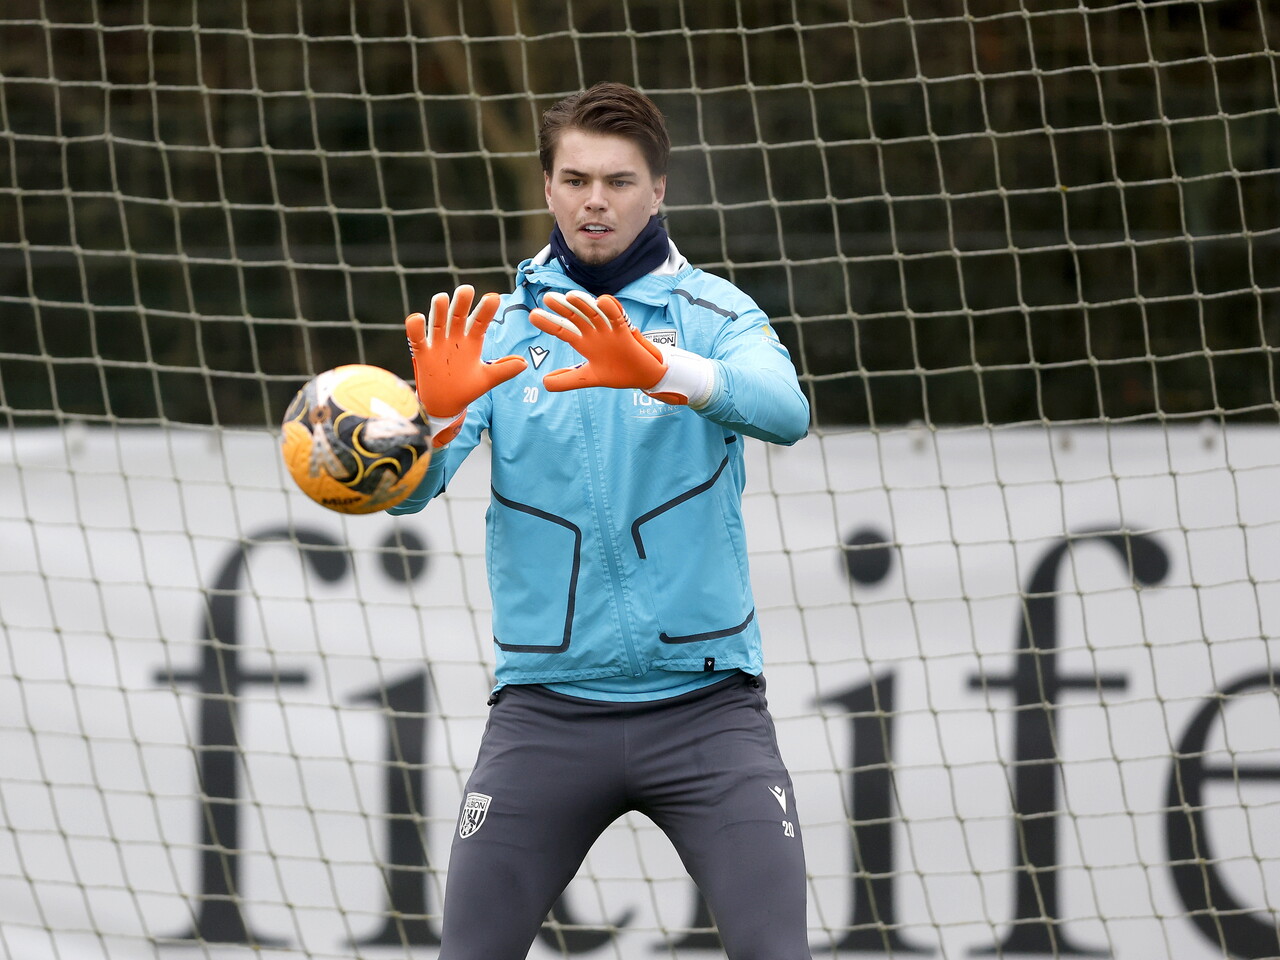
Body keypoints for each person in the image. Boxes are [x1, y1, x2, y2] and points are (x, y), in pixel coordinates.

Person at [388, 81, 813, 960]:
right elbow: (409, 495)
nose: (595, 201)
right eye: (576, 180)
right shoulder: (499, 333)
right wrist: (431, 422)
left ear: (657, 191)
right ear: (547, 187)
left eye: (619, 182)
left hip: (709, 710)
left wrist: (661, 368)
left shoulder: (715, 315)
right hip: (544, 715)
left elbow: (786, 412)